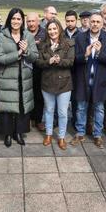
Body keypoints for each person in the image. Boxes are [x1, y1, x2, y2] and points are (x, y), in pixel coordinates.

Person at [0, 8, 39, 147]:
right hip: (7, 77)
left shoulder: (28, 36)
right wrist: (18, 54)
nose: (16, 21)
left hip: (24, 77)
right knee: (7, 107)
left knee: (21, 105)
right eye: (13, 18)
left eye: (19, 19)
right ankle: (7, 134)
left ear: (22, 21)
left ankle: (19, 132)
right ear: (9, 20)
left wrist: (27, 51)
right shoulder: (2, 36)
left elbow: (34, 57)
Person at [70, 12, 106, 148]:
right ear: (89, 22)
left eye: (98, 22)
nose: (95, 24)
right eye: (93, 21)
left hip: (100, 80)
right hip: (83, 79)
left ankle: (97, 135)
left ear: (102, 24)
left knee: (99, 109)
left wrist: (100, 53)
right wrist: (85, 54)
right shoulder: (80, 37)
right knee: (81, 107)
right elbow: (74, 60)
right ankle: (80, 132)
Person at [36, 19, 75, 149]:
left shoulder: (68, 44)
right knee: (49, 110)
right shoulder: (42, 45)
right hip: (47, 83)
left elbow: (70, 62)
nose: (52, 31)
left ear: (59, 29)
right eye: (50, 29)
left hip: (64, 84)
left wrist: (59, 61)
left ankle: (61, 137)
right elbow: (38, 63)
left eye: (55, 29)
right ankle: (48, 134)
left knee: (63, 112)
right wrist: (49, 62)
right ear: (47, 31)